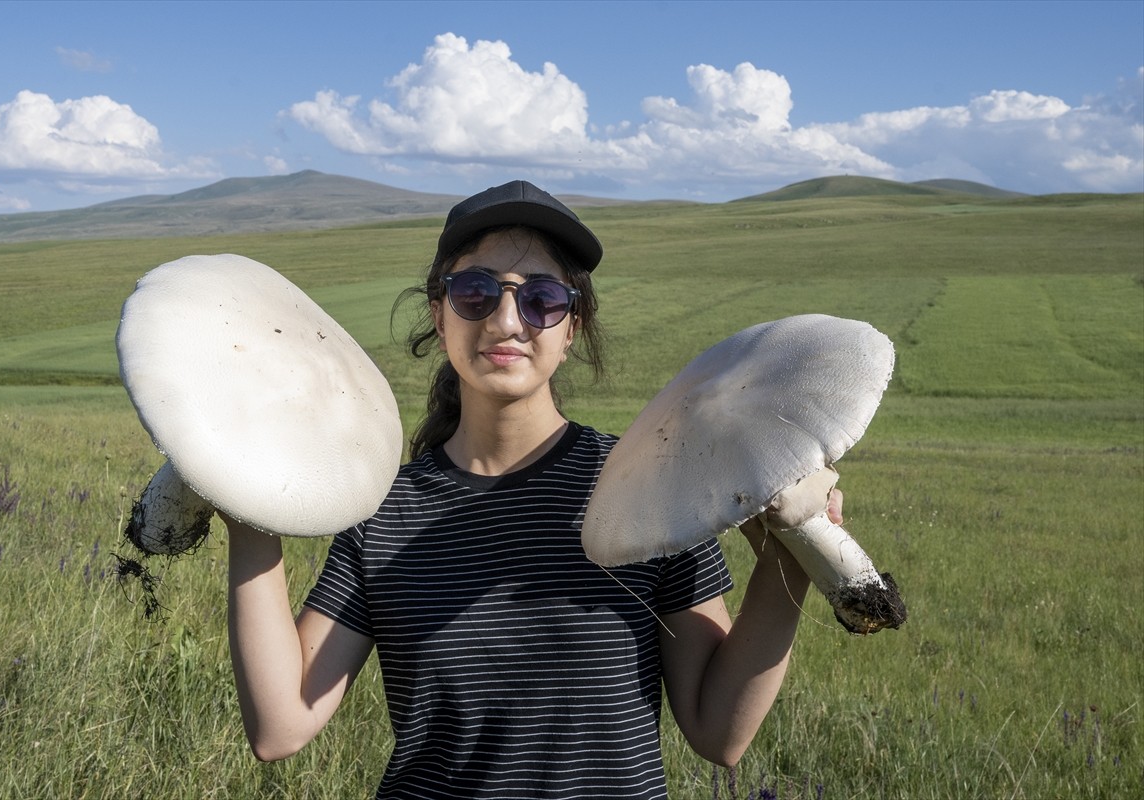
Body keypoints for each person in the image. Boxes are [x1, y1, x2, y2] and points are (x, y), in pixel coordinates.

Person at [224, 180, 843, 799]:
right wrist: (249, 514)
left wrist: (790, 561)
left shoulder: (651, 484)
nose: (505, 320)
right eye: (475, 292)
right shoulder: (384, 509)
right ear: (440, 317)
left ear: (571, 327)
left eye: (541, 298)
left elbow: (718, 734)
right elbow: (281, 726)